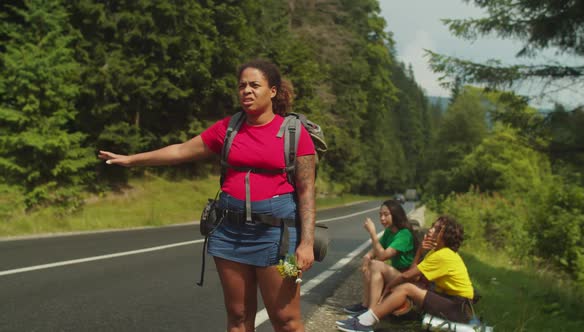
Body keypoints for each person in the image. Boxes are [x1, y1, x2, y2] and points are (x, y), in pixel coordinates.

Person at [98, 59, 316, 332]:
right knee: (238, 318)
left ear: (272, 91)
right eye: (242, 86)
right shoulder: (229, 128)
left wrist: (306, 242)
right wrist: (131, 160)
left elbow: (307, 192)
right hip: (229, 232)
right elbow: (180, 151)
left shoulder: (294, 134)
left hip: (276, 236)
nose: (246, 91)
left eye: (254, 85)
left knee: (286, 321)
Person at [336, 216, 474, 332]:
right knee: (405, 285)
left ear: (446, 236)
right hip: (446, 299)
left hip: (458, 308)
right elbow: (415, 276)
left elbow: (406, 276)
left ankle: (365, 323)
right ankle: (369, 317)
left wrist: (388, 287)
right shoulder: (436, 252)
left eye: (437, 229)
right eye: (432, 226)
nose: (431, 230)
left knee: (406, 288)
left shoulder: (444, 255)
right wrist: (420, 250)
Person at [342, 200, 417, 316]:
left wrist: (372, 233)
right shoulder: (389, 231)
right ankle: (365, 306)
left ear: (396, 215)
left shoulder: (404, 234)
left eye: (386, 215)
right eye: (380, 215)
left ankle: (371, 313)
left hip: (406, 278)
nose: (382, 218)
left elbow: (382, 256)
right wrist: (367, 257)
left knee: (376, 264)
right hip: (397, 275)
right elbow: (376, 250)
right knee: (370, 263)